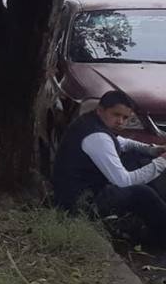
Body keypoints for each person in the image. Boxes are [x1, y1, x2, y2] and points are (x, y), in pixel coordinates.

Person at [53, 91, 166, 246]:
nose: (120, 121)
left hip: (77, 188)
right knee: (143, 193)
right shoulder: (98, 138)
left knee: (136, 159)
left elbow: (123, 143)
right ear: (101, 110)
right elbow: (123, 182)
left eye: (125, 118)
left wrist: (152, 150)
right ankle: (161, 237)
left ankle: (152, 217)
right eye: (116, 115)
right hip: (80, 202)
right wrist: (161, 162)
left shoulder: (91, 122)